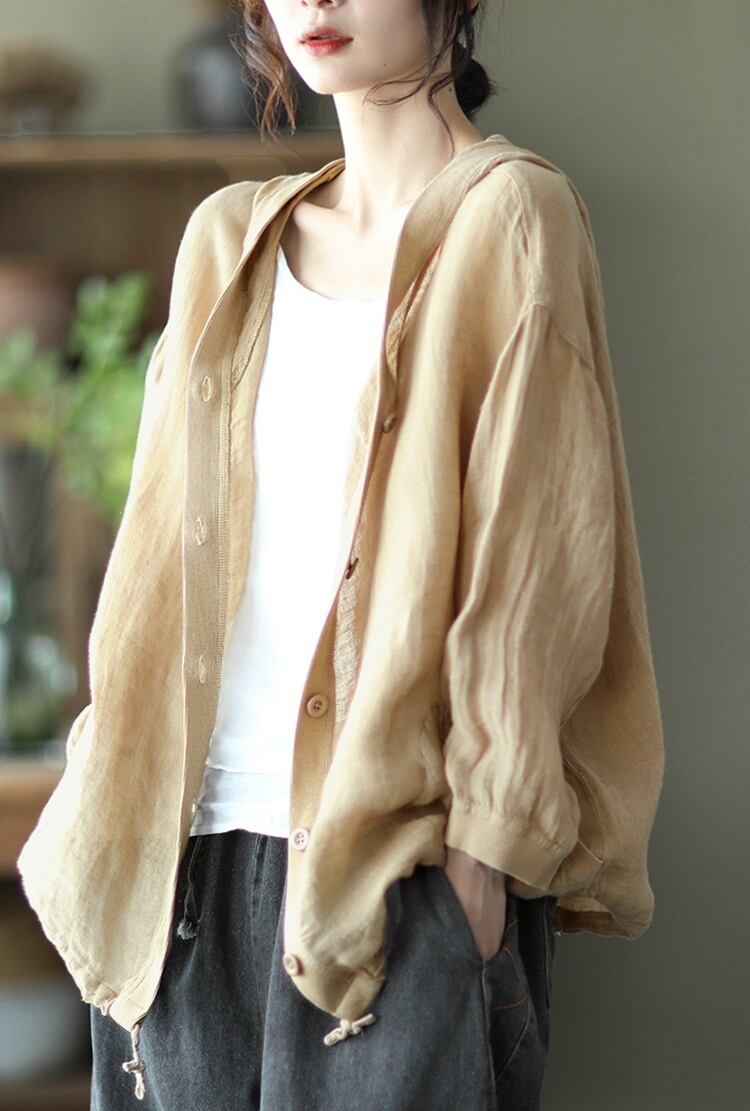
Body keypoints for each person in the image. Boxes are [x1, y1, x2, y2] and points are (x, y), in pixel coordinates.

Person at [16, 2, 665, 1109]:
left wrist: (477, 869)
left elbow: (539, 562)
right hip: (177, 869)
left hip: (392, 871)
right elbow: (155, 560)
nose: (314, 3)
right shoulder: (229, 236)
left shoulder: (512, 214)